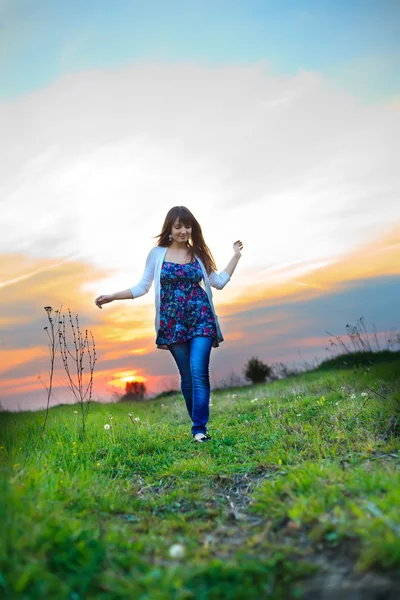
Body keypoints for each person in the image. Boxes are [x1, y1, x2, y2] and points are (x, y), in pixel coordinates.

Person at [95, 206, 243, 442]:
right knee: (187, 376)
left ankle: (199, 430)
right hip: (172, 323)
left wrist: (235, 255)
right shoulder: (157, 254)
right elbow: (142, 286)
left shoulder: (199, 254)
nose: (184, 231)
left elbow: (219, 282)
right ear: (170, 229)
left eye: (187, 226)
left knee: (198, 371)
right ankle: (196, 423)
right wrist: (112, 296)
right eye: (178, 227)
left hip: (201, 318)